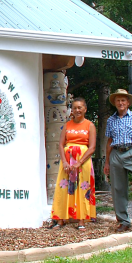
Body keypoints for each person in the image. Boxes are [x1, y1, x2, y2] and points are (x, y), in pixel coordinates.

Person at [103, 88, 132, 232]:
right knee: (118, 188)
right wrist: (107, 162)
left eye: (123, 100)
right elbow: (109, 141)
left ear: (128, 102)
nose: (120, 103)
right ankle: (123, 221)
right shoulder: (111, 120)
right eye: (118, 100)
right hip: (116, 154)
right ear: (115, 103)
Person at [50, 97, 97, 229]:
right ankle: (61, 218)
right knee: (64, 187)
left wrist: (79, 162)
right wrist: (64, 161)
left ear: (85, 109)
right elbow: (60, 144)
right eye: (75, 108)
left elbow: (92, 147)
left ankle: (81, 219)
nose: (77, 110)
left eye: (80, 107)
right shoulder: (67, 125)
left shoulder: (90, 125)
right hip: (67, 161)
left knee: (82, 187)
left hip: (83, 160)